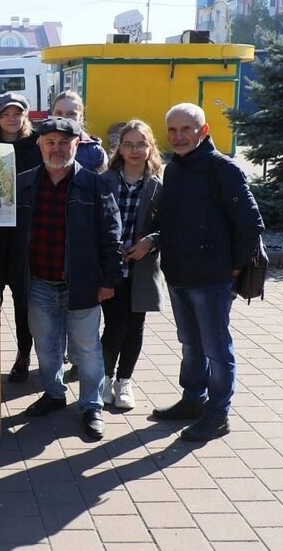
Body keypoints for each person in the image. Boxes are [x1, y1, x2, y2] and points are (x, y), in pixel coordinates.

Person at [152, 103, 263, 442]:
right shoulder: (174, 169)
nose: (178, 136)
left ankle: (217, 415)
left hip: (212, 279)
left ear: (204, 130)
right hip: (179, 276)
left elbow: (250, 224)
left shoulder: (222, 169)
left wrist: (234, 267)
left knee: (216, 349)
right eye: (173, 130)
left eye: (186, 129)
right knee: (190, 344)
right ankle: (192, 400)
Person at [12, 116, 122, 439]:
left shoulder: (95, 185)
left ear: (76, 145)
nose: (57, 149)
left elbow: (111, 235)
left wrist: (108, 280)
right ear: (39, 145)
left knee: (87, 349)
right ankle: (54, 394)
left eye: (64, 143)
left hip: (82, 284)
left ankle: (92, 405)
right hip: (38, 283)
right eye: (50, 142)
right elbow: (9, 235)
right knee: (46, 347)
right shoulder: (23, 184)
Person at [99, 119, 165, 411]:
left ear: (150, 147)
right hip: (112, 268)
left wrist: (151, 240)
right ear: (120, 149)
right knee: (114, 325)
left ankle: (124, 381)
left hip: (141, 268)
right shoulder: (105, 180)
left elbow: (170, 226)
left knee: (135, 326)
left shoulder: (158, 184)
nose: (135, 150)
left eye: (141, 144)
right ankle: (104, 378)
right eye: (128, 144)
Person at [50, 90, 109, 380]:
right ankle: (57, 366)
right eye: (60, 113)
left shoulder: (94, 152)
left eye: (72, 114)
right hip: (52, 236)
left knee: (81, 314)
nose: (65, 118)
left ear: (81, 116)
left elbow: (103, 200)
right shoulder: (44, 142)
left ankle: (78, 362)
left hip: (83, 238)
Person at [0, 92, 41, 383]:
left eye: (17, 113)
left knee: (24, 299)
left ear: (25, 116)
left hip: (26, 233)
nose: (11, 118)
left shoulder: (37, 145)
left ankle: (23, 353)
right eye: (5, 114)